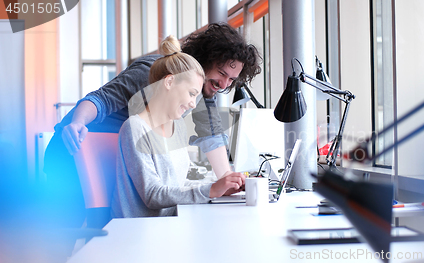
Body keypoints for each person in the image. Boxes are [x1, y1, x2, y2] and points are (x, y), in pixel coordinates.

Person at [43, 23, 261, 227]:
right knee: (68, 231)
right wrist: (78, 122)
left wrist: (228, 181)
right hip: (74, 147)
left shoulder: (201, 88)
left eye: (232, 80)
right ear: (205, 60)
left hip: (117, 158)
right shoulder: (151, 74)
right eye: (222, 74)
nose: (223, 85)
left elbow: (212, 135)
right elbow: (103, 99)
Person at [112, 36, 245, 218]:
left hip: (171, 224)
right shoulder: (135, 128)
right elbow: (152, 194)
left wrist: (221, 186)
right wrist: (210, 190)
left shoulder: (179, 127)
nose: (192, 104)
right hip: (141, 231)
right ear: (169, 82)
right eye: (191, 94)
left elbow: (178, 184)